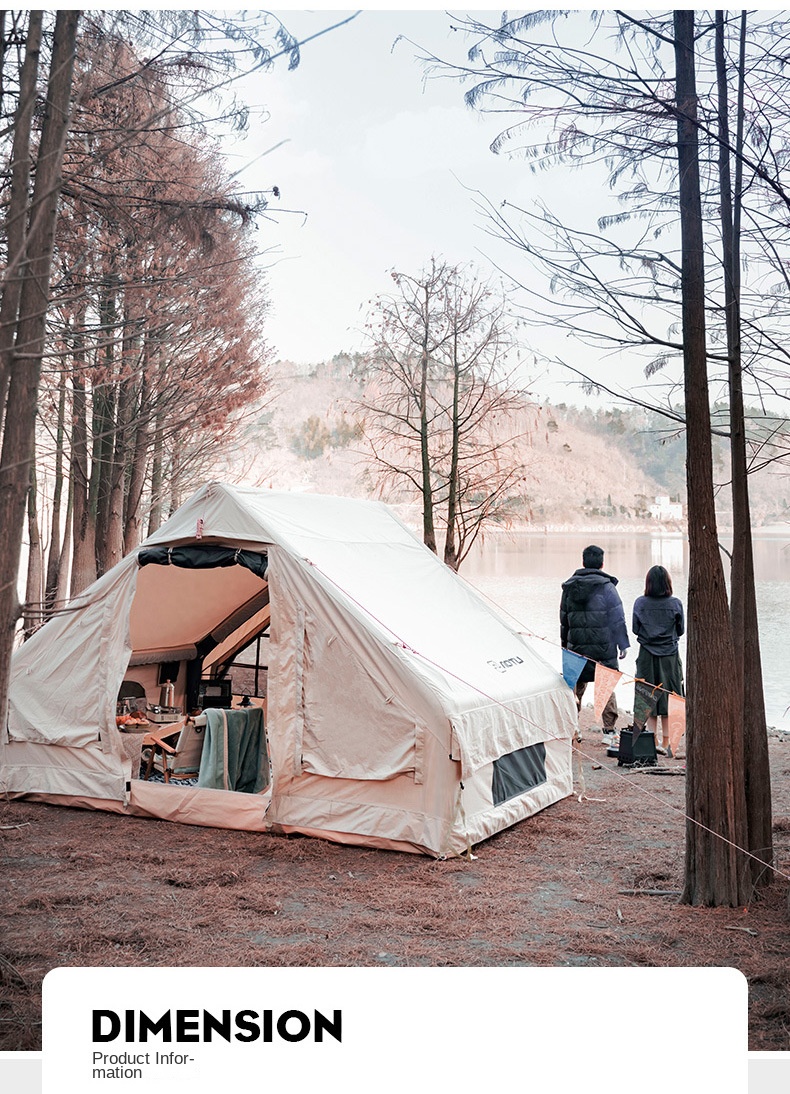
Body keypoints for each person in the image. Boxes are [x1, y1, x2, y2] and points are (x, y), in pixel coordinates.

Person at [560, 544, 629, 744]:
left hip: (577, 648)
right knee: (605, 687)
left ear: (583, 562)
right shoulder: (607, 587)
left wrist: (565, 646)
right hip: (603, 647)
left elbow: (564, 620)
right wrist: (622, 644)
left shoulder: (569, 588)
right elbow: (618, 618)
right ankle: (608, 732)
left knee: (575, 688)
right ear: (602, 563)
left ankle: (573, 728)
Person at [632, 565, 685, 757]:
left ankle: (652, 739)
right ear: (668, 583)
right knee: (670, 696)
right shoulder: (675, 604)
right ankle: (668, 742)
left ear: (649, 583)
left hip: (646, 654)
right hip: (670, 655)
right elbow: (680, 630)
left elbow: (635, 629)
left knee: (647, 695)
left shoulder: (640, 603)